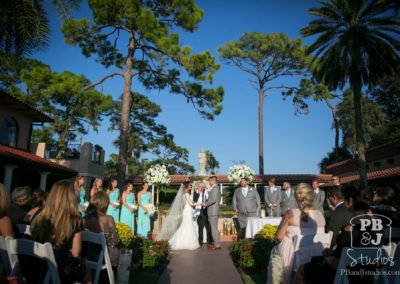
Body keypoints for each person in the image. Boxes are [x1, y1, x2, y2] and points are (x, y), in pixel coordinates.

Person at [297, 184, 381, 284]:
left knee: (302, 268)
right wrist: (334, 252)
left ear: (350, 201)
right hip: (369, 276)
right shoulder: (379, 229)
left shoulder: (349, 233)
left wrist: (328, 257)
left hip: (345, 277)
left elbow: (336, 264)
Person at [31, 180, 91, 284]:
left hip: (37, 265)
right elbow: (76, 253)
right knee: (86, 266)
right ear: (71, 197)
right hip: (60, 267)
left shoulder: (40, 216)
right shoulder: (75, 219)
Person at [266, 183, 326, 284]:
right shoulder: (319, 214)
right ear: (311, 196)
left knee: (275, 251)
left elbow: (279, 237)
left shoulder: (290, 213)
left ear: (296, 197)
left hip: (296, 255)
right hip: (317, 254)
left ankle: (279, 282)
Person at [85, 191, 123, 276]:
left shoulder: (85, 219)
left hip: (88, 256)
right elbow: (115, 240)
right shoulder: (109, 219)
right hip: (104, 258)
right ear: (105, 205)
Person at [169, 181, 200, 250]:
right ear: (187, 186)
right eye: (190, 185)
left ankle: (186, 241)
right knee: (187, 225)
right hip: (187, 211)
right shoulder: (186, 194)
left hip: (188, 210)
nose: (191, 186)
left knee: (187, 225)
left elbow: (192, 202)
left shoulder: (186, 194)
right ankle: (184, 242)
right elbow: (191, 204)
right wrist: (200, 204)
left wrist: (197, 202)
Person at [202, 176, 221, 250]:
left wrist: (205, 204)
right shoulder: (214, 188)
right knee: (213, 228)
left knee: (214, 228)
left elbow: (213, 200)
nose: (209, 183)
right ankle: (215, 243)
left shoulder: (215, 189)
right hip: (212, 211)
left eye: (209, 181)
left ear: (213, 181)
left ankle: (217, 244)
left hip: (213, 211)